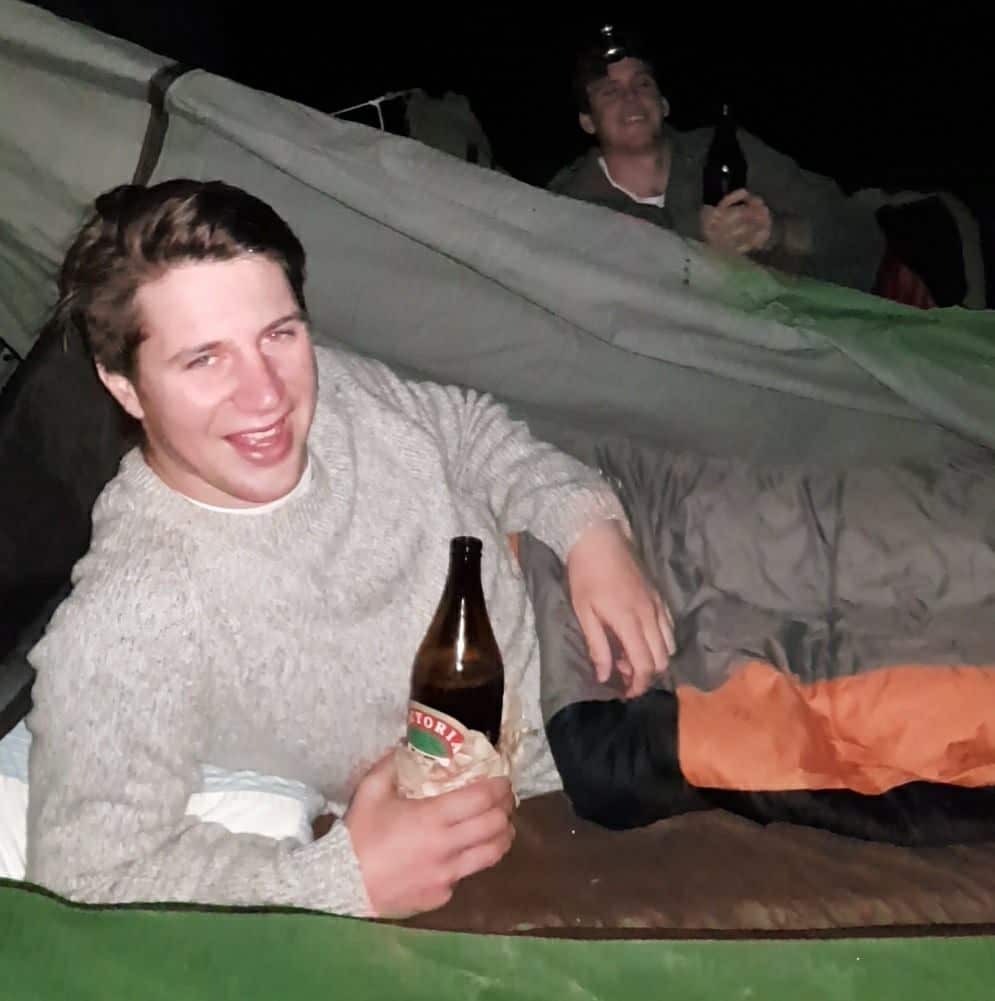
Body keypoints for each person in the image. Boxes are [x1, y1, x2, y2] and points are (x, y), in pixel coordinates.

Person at [24, 179, 674, 919]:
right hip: (590, 746)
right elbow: (83, 876)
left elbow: (465, 428)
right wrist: (334, 877)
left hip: (604, 560)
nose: (266, 394)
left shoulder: (334, 389)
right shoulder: (135, 612)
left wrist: (588, 526)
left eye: (280, 333)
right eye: (204, 359)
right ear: (125, 387)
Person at [548, 36, 886, 293]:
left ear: (664, 105)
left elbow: (859, 235)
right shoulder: (564, 205)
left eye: (643, 83)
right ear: (587, 122)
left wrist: (774, 233)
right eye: (609, 91)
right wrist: (702, 248)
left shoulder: (728, 151)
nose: (631, 97)